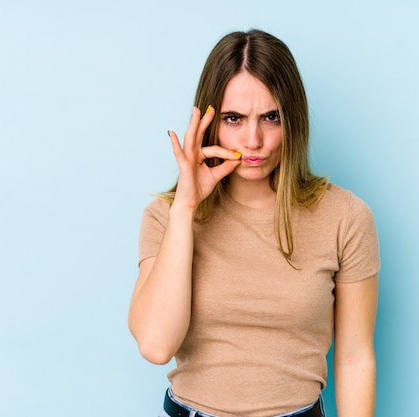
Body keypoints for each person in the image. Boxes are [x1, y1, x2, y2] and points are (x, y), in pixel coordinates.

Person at [128, 29, 380, 417]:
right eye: (233, 118)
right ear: (210, 124)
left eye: (270, 117)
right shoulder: (166, 216)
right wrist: (185, 208)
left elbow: (354, 357)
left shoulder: (345, 218)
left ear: (292, 120)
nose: (253, 140)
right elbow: (156, 345)